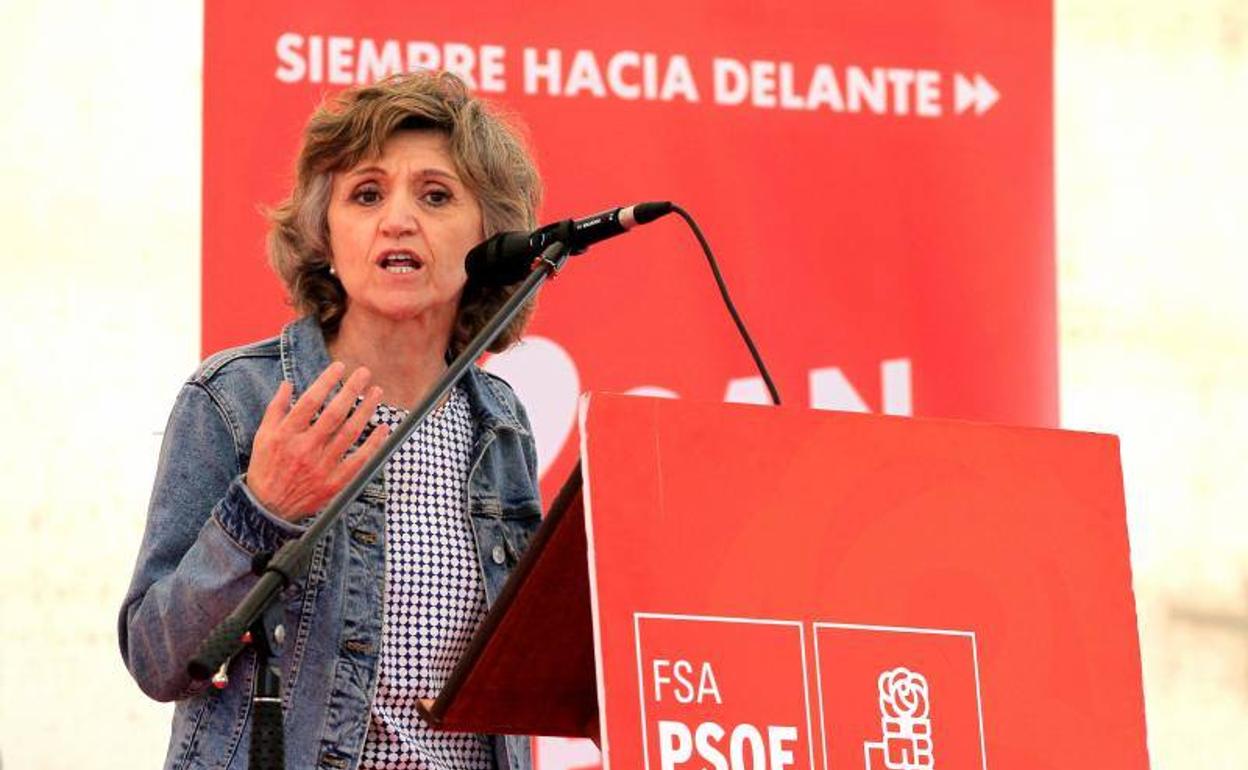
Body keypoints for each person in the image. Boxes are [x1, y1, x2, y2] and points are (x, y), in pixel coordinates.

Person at [119, 71, 544, 770]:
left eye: (436, 196)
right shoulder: (236, 399)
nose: (398, 220)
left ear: (490, 237)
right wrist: (262, 509)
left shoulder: (501, 423)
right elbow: (157, 658)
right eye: (366, 195)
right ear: (324, 236)